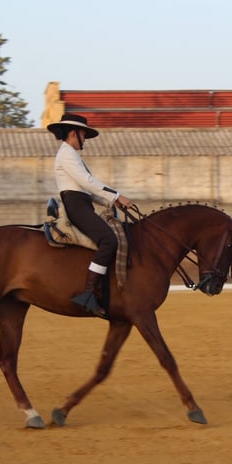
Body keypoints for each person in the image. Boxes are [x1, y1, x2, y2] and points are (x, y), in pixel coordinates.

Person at [47, 113, 133, 317]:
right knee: (108, 240)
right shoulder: (66, 154)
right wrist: (117, 196)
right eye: (83, 134)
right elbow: (86, 182)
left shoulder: (72, 155)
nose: (84, 139)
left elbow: (86, 189)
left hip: (82, 203)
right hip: (76, 206)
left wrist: (110, 202)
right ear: (72, 133)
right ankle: (88, 293)